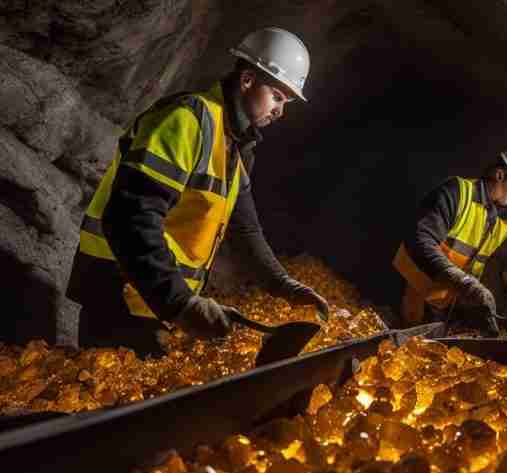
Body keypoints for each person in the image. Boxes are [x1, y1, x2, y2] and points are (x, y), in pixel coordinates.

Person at [66, 28, 329, 357]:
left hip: (157, 303)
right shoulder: (186, 120)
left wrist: (284, 286)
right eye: (277, 96)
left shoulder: (232, 145)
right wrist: (180, 303)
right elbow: (129, 217)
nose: (280, 111)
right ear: (247, 79)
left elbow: (245, 229)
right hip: (119, 297)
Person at [393, 148, 507, 333]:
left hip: (452, 304)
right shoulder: (457, 192)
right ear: (500, 175)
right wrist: (465, 282)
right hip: (419, 295)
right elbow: (421, 240)